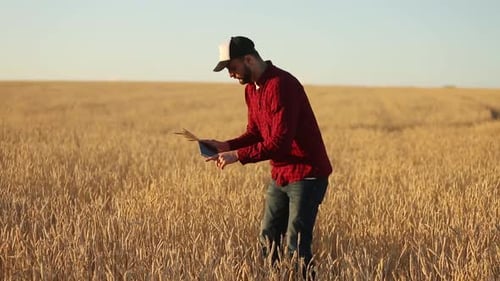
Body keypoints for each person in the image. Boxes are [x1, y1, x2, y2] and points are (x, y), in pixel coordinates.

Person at [204, 36, 332, 278]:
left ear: (249, 59)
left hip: (307, 175)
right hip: (281, 174)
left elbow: (279, 144)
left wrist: (237, 156)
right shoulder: (252, 90)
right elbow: (255, 132)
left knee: (296, 246)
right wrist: (226, 145)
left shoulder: (283, 85)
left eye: (232, 67)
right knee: (268, 237)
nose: (230, 74)